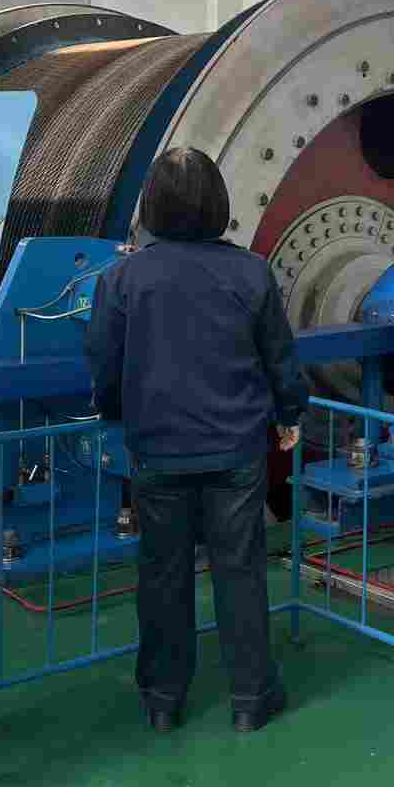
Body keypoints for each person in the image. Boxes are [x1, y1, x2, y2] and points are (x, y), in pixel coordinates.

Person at [85, 147, 307, 733]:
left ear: (152, 205)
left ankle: (163, 700)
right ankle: (252, 698)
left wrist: (117, 411)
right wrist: (289, 413)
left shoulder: (123, 278)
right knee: (240, 571)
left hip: (157, 450)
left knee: (163, 574)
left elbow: (104, 364)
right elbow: (280, 358)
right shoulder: (251, 273)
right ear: (218, 204)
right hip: (236, 452)